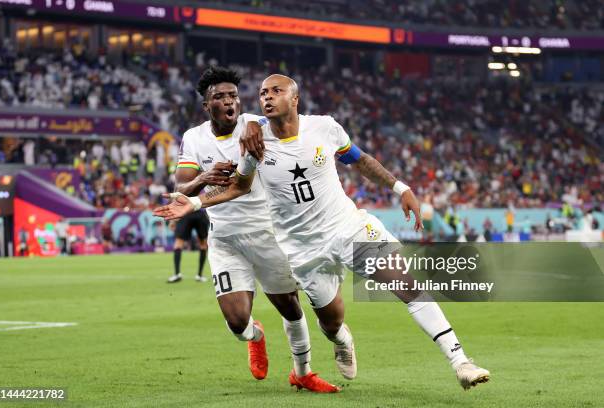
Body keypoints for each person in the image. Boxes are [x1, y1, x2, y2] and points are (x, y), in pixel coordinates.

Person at [155, 74, 490, 390]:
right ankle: (341, 339)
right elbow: (239, 186)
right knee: (331, 323)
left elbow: (359, 159)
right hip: (303, 250)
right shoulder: (255, 143)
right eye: (263, 93)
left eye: (276, 91)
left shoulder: (324, 127)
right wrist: (196, 203)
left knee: (406, 284)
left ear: (295, 98)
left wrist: (400, 187)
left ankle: (460, 361)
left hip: (347, 227)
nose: (267, 97)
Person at [167, 67, 337, 392]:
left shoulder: (258, 124)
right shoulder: (194, 137)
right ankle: (255, 336)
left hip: (266, 232)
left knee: (290, 305)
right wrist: (203, 177)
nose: (230, 102)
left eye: (233, 95)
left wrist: (259, 127)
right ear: (207, 105)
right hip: (225, 239)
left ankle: (303, 371)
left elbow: (291, 127)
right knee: (236, 322)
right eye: (220, 97)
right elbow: (181, 186)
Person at [167, 209, 210, 283]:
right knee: (203, 244)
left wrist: (172, 220)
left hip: (186, 212)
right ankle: (199, 275)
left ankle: (177, 274)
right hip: (199, 213)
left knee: (178, 243)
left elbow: (177, 199)